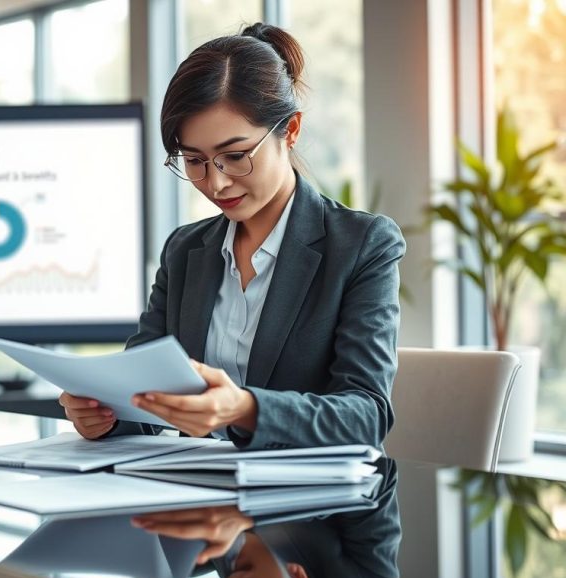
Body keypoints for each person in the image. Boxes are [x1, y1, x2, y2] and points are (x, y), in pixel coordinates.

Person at [59, 22, 405, 449]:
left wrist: (245, 408)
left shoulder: (361, 245)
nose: (216, 183)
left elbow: (366, 415)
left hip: (309, 507)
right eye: (195, 160)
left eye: (235, 156)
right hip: (191, 495)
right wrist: (105, 415)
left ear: (290, 130)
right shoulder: (185, 251)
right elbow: (144, 397)